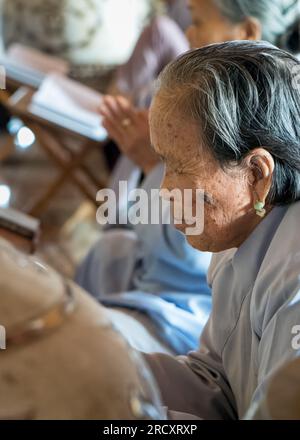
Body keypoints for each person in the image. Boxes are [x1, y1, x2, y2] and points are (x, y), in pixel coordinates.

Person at [145, 40, 300, 419]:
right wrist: (107, 368)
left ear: (257, 175)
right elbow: (220, 383)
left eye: (180, 166)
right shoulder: (243, 232)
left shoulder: (293, 286)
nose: (164, 190)